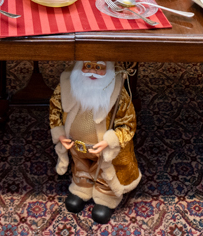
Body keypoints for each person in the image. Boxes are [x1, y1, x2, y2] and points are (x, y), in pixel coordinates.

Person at [50, 61, 140, 224]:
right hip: (77, 148)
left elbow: (128, 124)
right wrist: (60, 134)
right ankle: (82, 187)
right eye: (88, 66)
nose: (92, 72)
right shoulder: (67, 85)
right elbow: (54, 109)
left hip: (105, 154)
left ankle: (106, 195)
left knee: (106, 172)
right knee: (81, 169)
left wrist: (110, 141)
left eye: (99, 67)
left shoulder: (117, 91)